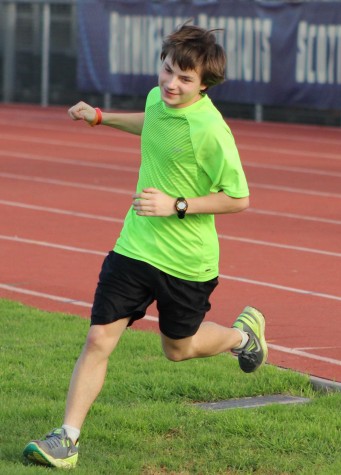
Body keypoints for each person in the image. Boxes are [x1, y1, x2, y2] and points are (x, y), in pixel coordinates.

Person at [23, 22, 267, 469]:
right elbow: (152, 122)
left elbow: (239, 198)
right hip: (134, 248)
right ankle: (67, 439)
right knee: (98, 337)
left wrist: (176, 203)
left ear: (204, 83)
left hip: (186, 262)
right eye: (168, 70)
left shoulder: (211, 131)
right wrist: (101, 116)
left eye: (185, 79)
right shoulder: (160, 100)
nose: (171, 84)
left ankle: (241, 335)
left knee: (179, 348)